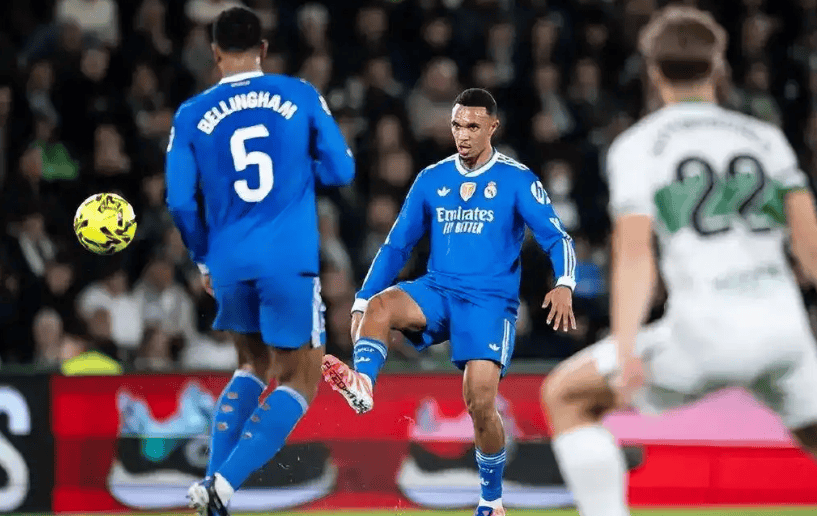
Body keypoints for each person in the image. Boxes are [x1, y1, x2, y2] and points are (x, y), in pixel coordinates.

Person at [542, 7, 817, 516]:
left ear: (653, 72)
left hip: (705, 332)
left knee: (567, 397)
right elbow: (810, 247)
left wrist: (626, 347)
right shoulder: (765, 138)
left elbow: (634, 254)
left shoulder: (638, 146)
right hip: (783, 330)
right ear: (719, 66)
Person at [322, 88, 577, 516]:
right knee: (380, 306)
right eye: (457, 125)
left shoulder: (516, 179)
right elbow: (396, 245)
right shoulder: (432, 178)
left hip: (488, 303)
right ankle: (363, 383)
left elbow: (557, 237)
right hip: (438, 290)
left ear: (492, 127)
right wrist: (361, 300)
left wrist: (565, 282)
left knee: (480, 403)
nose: (463, 134)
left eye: (473, 126)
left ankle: (491, 500)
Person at [164, 7, 354, 515]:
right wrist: (300, 170)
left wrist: (203, 259)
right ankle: (223, 486)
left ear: (215, 52)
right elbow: (341, 169)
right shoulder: (299, 94)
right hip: (287, 258)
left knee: (251, 365)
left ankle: (212, 494)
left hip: (228, 260)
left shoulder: (190, 113)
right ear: (263, 49)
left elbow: (179, 202)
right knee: (299, 380)